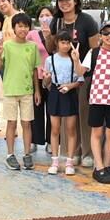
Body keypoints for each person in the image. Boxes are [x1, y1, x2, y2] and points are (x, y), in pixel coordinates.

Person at [46, 0, 99, 168]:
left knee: (84, 113)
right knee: (66, 114)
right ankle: (71, 153)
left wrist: (84, 69)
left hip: (82, 74)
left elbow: (94, 49)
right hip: (61, 75)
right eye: (60, 0)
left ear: (75, 0)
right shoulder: (56, 22)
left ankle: (87, 152)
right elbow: (50, 47)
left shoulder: (87, 21)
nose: (64, 3)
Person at [74, 21, 110, 184]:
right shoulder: (93, 52)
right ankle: (98, 167)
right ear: (101, 36)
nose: (109, 36)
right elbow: (80, 73)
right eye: (106, 33)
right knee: (97, 133)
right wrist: (76, 60)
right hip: (97, 99)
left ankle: (106, 165)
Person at [0, 13, 42, 171]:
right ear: (14, 28)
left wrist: (37, 91)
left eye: (25, 25)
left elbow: (35, 70)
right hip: (10, 91)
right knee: (11, 123)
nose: (23, 29)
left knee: (27, 123)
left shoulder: (32, 46)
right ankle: (10, 155)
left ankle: (27, 154)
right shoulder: (7, 46)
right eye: (19, 26)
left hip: (27, 91)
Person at [42, 30, 83, 175]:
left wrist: (70, 86)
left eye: (67, 43)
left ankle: (69, 162)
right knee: (55, 129)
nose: (65, 46)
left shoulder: (74, 58)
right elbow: (46, 82)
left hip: (70, 94)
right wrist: (46, 78)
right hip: (55, 93)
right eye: (62, 42)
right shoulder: (50, 59)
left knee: (71, 129)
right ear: (57, 43)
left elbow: (80, 79)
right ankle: (54, 161)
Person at [27, 6, 53, 152]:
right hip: (36, 76)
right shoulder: (31, 34)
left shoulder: (56, 33)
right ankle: (34, 140)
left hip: (52, 77)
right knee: (36, 109)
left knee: (52, 110)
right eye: (42, 15)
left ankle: (51, 141)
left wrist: (49, 36)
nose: (44, 18)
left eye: (48, 15)